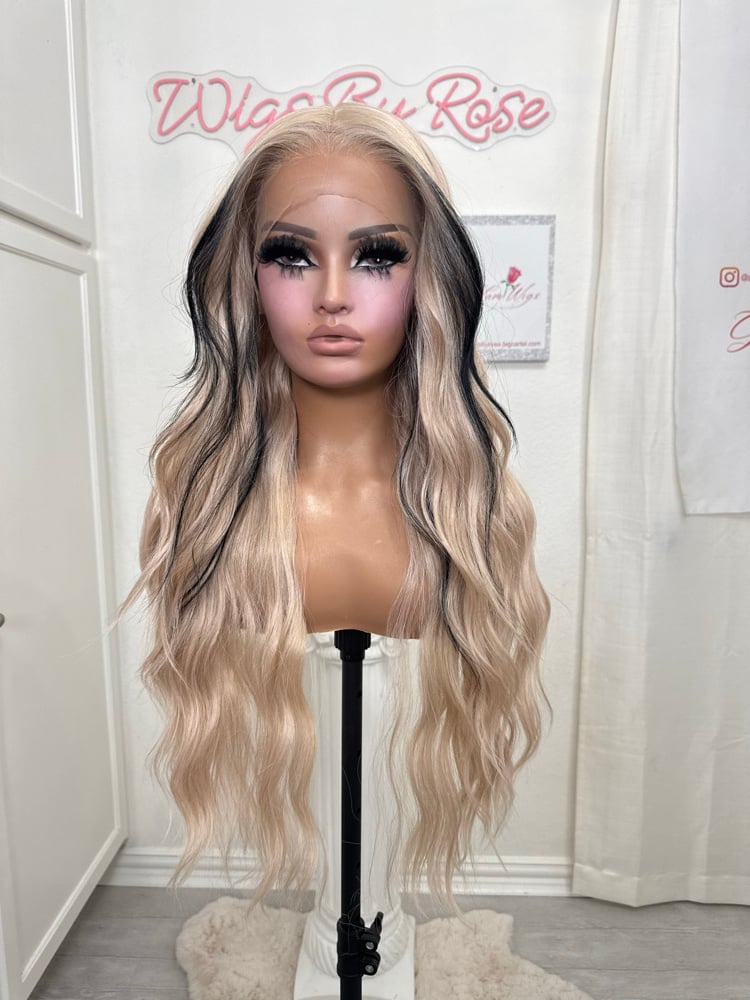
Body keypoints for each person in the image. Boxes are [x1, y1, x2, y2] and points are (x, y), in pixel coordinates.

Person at [129, 103, 550, 905]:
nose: (331, 295)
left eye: (375, 257)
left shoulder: (464, 506)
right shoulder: (212, 508)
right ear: (245, 279)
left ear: (428, 277)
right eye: (290, 256)